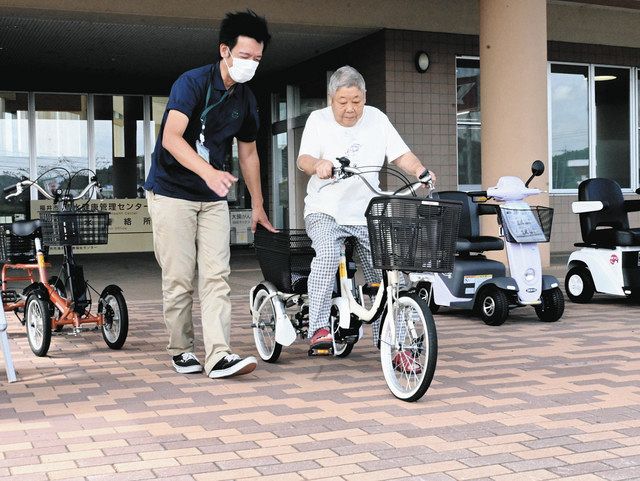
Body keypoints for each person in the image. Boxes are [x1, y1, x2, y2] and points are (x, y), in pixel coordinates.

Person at [144, 10, 276, 379]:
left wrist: (259, 205)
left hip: (213, 198)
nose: (250, 64)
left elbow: (249, 153)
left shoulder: (246, 99)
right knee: (180, 278)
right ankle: (182, 349)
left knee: (217, 275)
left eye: (257, 59)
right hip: (171, 193)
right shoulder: (192, 83)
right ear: (225, 51)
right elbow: (171, 139)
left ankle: (219, 354)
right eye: (245, 56)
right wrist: (209, 173)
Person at [296, 66, 436, 371]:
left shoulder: (377, 119)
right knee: (329, 255)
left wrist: (419, 171)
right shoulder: (317, 120)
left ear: (364, 97)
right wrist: (319, 164)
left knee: (385, 274)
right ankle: (318, 328)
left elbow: (400, 155)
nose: (350, 108)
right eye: (343, 101)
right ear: (331, 98)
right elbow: (303, 159)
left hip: (367, 212)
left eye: (356, 101)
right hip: (325, 210)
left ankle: (392, 343)